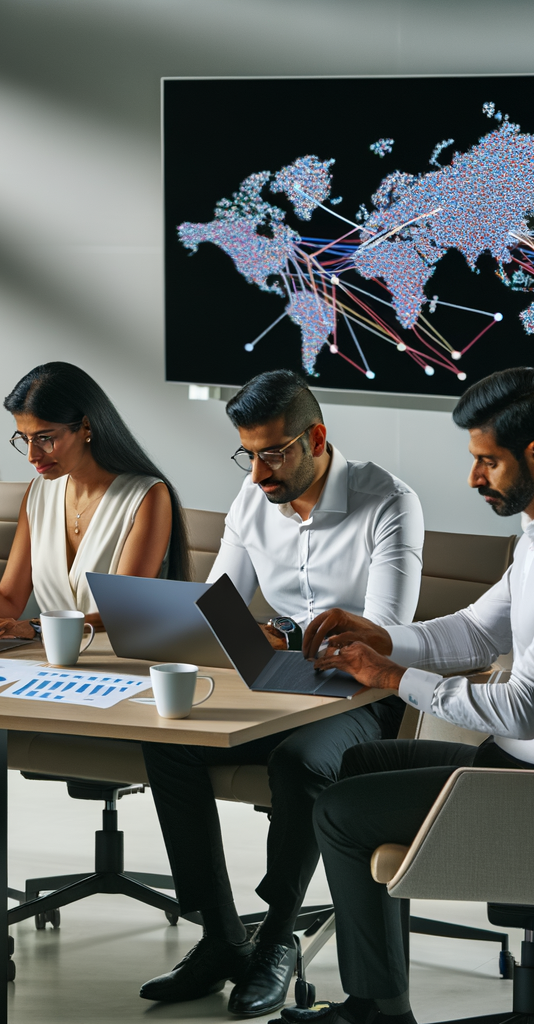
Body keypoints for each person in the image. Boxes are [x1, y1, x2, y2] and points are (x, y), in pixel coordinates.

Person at [288, 368, 534, 1024]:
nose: (473, 478)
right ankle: (383, 991)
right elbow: (478, 631)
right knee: (357, 768)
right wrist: (382, 638)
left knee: (343, 813)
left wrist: (391, 678)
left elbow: (521, 709)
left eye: (487, 462)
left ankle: (376, 1010)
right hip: (519, 764)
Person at [137, 370, 424, 1018]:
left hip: (361, 695)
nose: (259, 472)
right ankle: (220, 936)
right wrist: (235, 632)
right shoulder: (251, 499)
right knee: (166, 734)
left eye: (272, 453)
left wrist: (285, 633)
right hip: (277, 684)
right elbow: (219, 606)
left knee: (300, 761)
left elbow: (380, 636)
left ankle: (276, 935)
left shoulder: (388, 502)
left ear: (315, 437)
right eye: (248, 453)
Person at [0, 361, 189, 640]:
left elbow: (123, 612)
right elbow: (9, 597)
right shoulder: (38, 492)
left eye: (44, 438)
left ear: (86, 426)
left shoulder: (146, 497)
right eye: (24, 439)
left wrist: (37, 627)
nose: (32, 455)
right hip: (50, 656)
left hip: (115, 658)